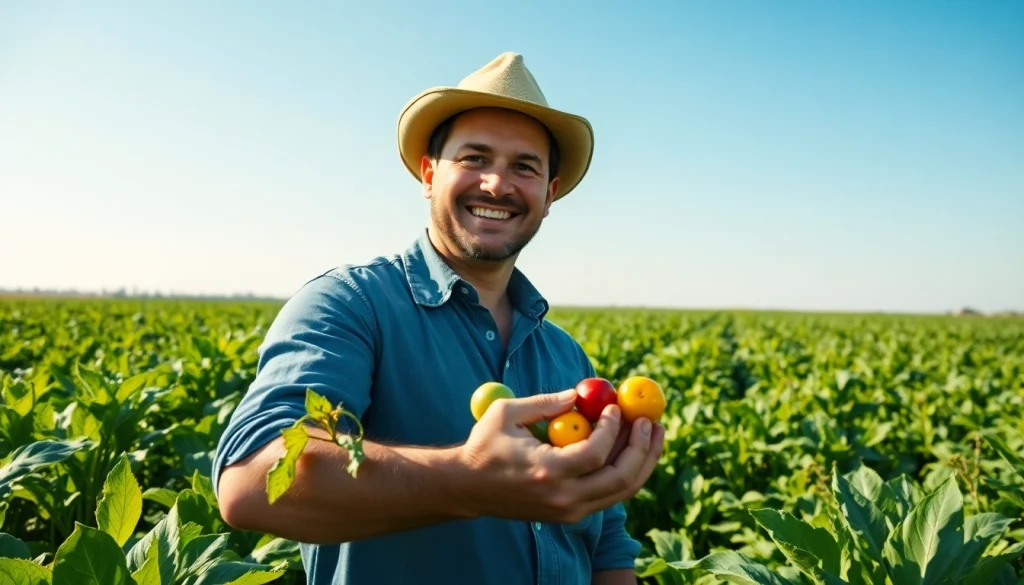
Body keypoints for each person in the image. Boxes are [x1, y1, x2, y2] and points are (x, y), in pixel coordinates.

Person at [213, 51, 666, 585]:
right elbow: (252, 482)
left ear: (550, 194)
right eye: (474, 158)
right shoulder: (350, 305)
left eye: (524, 166)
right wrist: (470, 479)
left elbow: (607, 543)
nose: (497, 185)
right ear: (430, 174)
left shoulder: (565, 354)